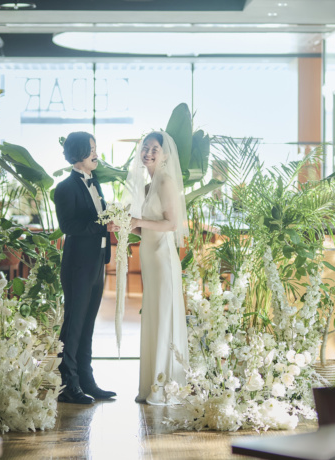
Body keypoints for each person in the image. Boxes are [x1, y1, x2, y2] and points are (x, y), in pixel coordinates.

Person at [54, 132, 119, 404]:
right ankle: (67, 383)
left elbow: (95, 219)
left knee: (88, 323)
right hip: (78, 264)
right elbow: (69, 227)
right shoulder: (64, 188)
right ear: (78, 153)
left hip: (97, 261)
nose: (96, 154)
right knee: (74, 323)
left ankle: (86, 379)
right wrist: (102, 226)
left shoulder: (96, 182)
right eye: (91, 149)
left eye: (95, 148)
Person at [126, 131, 190, 405]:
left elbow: (172, 224)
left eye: (154, 149)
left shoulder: (164, 181)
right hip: (149, 259)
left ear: (164, 155)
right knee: (153, 315)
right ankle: (151, 382)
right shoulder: (147, 184)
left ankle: (165, 386)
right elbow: (145, 225)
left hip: (163, 259)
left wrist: (137, 223)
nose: (148, 152)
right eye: (145, 147)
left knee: (164, 315)